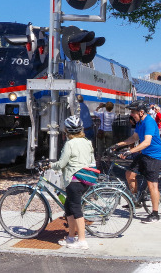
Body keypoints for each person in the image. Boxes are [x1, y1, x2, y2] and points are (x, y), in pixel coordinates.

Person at [114, 100, 161, 224]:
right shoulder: (139, 122)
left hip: (155, 156)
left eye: (133, 112)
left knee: (152, 184)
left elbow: (147, 142)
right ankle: (136, 201)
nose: (131, 114)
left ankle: (155, 214)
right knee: (129, 174)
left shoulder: (149, 122)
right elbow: (134, 138)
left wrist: (130, 152)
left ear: (141, 112)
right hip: (145, 154)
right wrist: (117, 145)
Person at [49, 115, 95, 250]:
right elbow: (92, 160)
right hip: (85, 178)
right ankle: (70, 237)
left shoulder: (69, 144)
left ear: (66, 130)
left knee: (76, 209)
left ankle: (82, 241)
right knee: (69, 207)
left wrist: (51, 166)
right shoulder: (87, 142)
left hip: (74, 180)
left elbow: (62, 163)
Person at [93, 101, 115, 168]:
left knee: (100, 147)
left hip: (102, 132)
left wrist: (99, 107)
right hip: (110, 131)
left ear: (105, 107)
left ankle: (98, 163)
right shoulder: (114, 115)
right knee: (109, 147)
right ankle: (108, 162)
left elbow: (94, 112)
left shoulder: (102, 114)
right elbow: (114, 119)